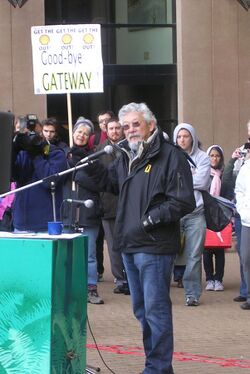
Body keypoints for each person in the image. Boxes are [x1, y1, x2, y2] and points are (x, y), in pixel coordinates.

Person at [86, 103, 196, 374]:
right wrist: (87, 162)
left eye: (135, 124)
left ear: (151, 124)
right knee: (142, 311)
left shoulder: (171, 156)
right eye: (125, 126)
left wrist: (150, 219)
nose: (130, 130)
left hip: (154, 246)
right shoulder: (125, 156)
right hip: (130, 245)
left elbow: (183, 201)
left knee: (156, 312)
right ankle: (154, 365)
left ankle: (158, 369)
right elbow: (111, 185)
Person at [63, 117, 104, 305]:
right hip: (69, 212)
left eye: (85, 133)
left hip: (88, 212)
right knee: (67, 254)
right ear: (73, 133)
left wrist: (80, 175)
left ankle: (91, 288)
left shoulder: (94, 157)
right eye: (79, 131)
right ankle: (68, 288)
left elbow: (101, 183)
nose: (81, 135)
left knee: (89, 255)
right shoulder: (64, 155)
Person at [173, 123, 210, 306]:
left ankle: (192, 294)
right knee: (168, 252)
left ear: (193, 137)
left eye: (186, 136)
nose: (182, 140)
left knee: (194, 255)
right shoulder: (170, 157)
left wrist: (180, 180)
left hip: (196, 213)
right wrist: (189, 177)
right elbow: (167, 182)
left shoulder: (202, 157)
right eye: (179, 137)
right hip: (174, 213)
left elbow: (203, 182)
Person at [11, 120, 68, 232]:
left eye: (35, 134)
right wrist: (14, 150)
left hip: (45, 225)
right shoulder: (23, 154)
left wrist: (37, 156)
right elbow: (12, 176)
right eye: (27, 134)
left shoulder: (57, 154)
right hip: (21, 223)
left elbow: (50, 182)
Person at [96, 117, 129, 294]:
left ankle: (131, 277)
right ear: (106, 131)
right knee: (114, 246)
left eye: (118, 128)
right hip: (108, 204)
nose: (115, 131)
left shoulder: (130, 148)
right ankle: (120, 279)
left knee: (129, 243)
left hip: (128, 205)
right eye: (111, 128)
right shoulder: (99, 151)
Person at [89, 110, 115, 282]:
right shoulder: (96, 142)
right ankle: (98, 270)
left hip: (114, 200)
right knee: (98, 239)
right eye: (101, 122)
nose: (104, 124)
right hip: (100, 199)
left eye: (107, 120)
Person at [203, 145, 226, 291]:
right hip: (206, 214)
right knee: (207, 249)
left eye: (217, 155)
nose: (214, 158)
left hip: (221, 215)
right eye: (212, 155)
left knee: (219, 249)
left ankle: (218, 279)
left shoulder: (224, 175)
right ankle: (209, 279)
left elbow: (229, 194)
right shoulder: (204, 174)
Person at [235, 149, 250, 310]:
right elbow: (239, 190)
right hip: (247, 220)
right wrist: (243, 209)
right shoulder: (246, 167)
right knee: (246, 257)